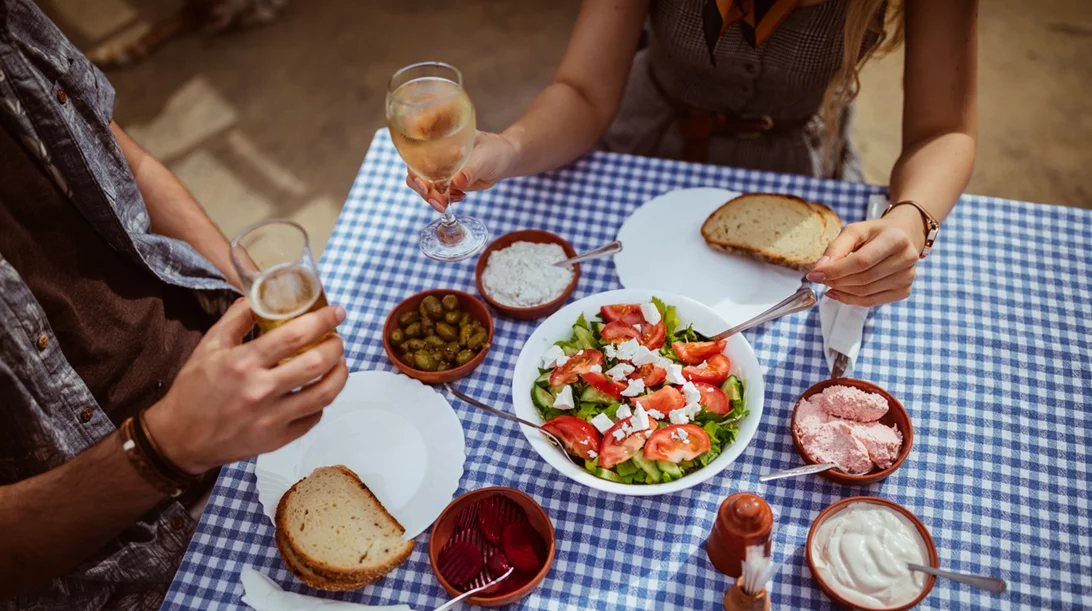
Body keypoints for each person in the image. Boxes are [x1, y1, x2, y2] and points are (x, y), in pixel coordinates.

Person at [0, 1, 348, 609]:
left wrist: (243, 298)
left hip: (226, 399)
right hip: (117, 558)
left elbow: (122, 159)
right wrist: (166, 447)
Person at [407, 0, 977, 307]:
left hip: (794, 168)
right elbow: (582, 93)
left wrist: (911, 217)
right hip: (640, 141)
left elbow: (943, 130)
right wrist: (508, 148)